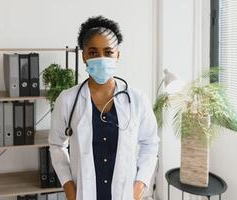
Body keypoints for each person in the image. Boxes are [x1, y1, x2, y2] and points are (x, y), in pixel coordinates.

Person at [49, 15, 159, 200]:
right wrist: (69, 189)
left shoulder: (137, 99)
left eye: (108, 52)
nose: (101, 59)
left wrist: (139, 186)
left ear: (117, 55)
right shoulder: (68, 100)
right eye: (93, 53)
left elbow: (150, 143)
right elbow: (56, 144)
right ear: (84, 56)